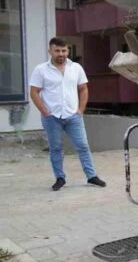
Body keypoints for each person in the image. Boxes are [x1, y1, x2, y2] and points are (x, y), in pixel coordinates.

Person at [29, 38, 105, 191]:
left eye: (64, 51)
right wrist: (44, 111)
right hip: (52, 117)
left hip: (73, 116)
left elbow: (83, 89)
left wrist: (80, 110)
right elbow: (34, 92)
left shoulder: (76, 68)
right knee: (56, 148)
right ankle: (60, 178)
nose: (61, 54)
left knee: (83, 146)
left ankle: (91, 176)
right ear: (50, 51)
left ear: (68, 51)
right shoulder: (41, 70)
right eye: (57, 51)